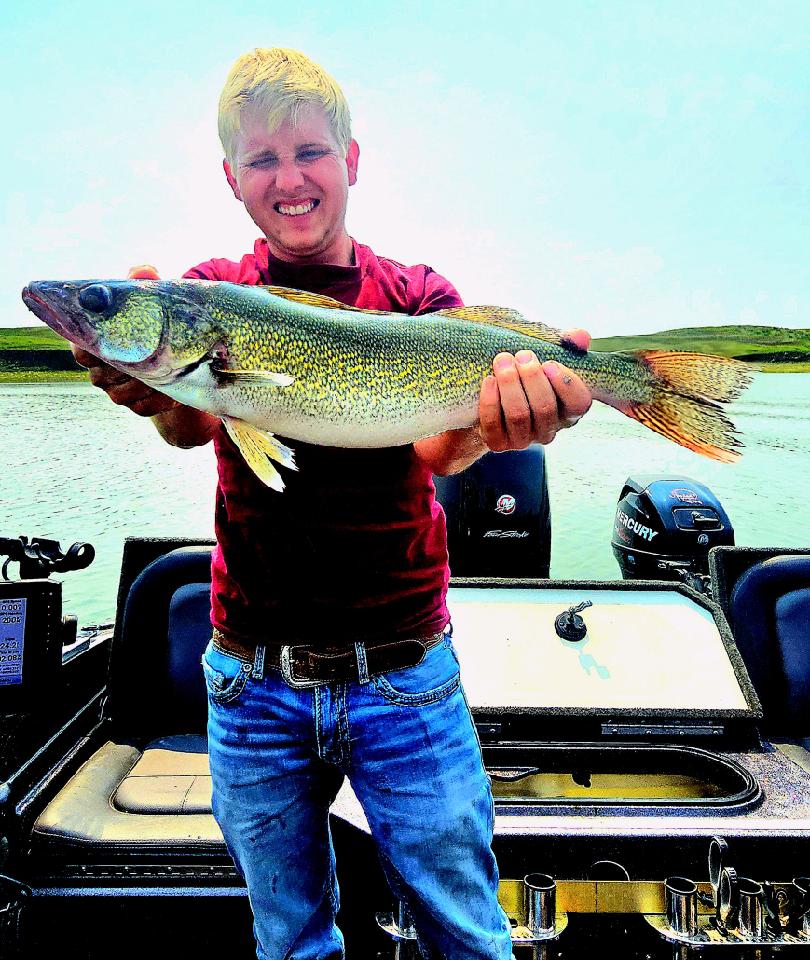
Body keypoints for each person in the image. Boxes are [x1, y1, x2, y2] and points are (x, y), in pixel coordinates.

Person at [72, 48, 592, 960]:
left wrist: (496, 428)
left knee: (467, 932)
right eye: (263, 160)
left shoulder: (419, 298)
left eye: (310, 152)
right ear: (231, 178)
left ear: (350, 159)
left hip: (406, 673)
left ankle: (648, 385)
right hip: (252, 681)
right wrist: (153, 392)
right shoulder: (213, 292)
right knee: (290, 940)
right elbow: (195, 427)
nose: (290, 178)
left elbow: (439, 449)